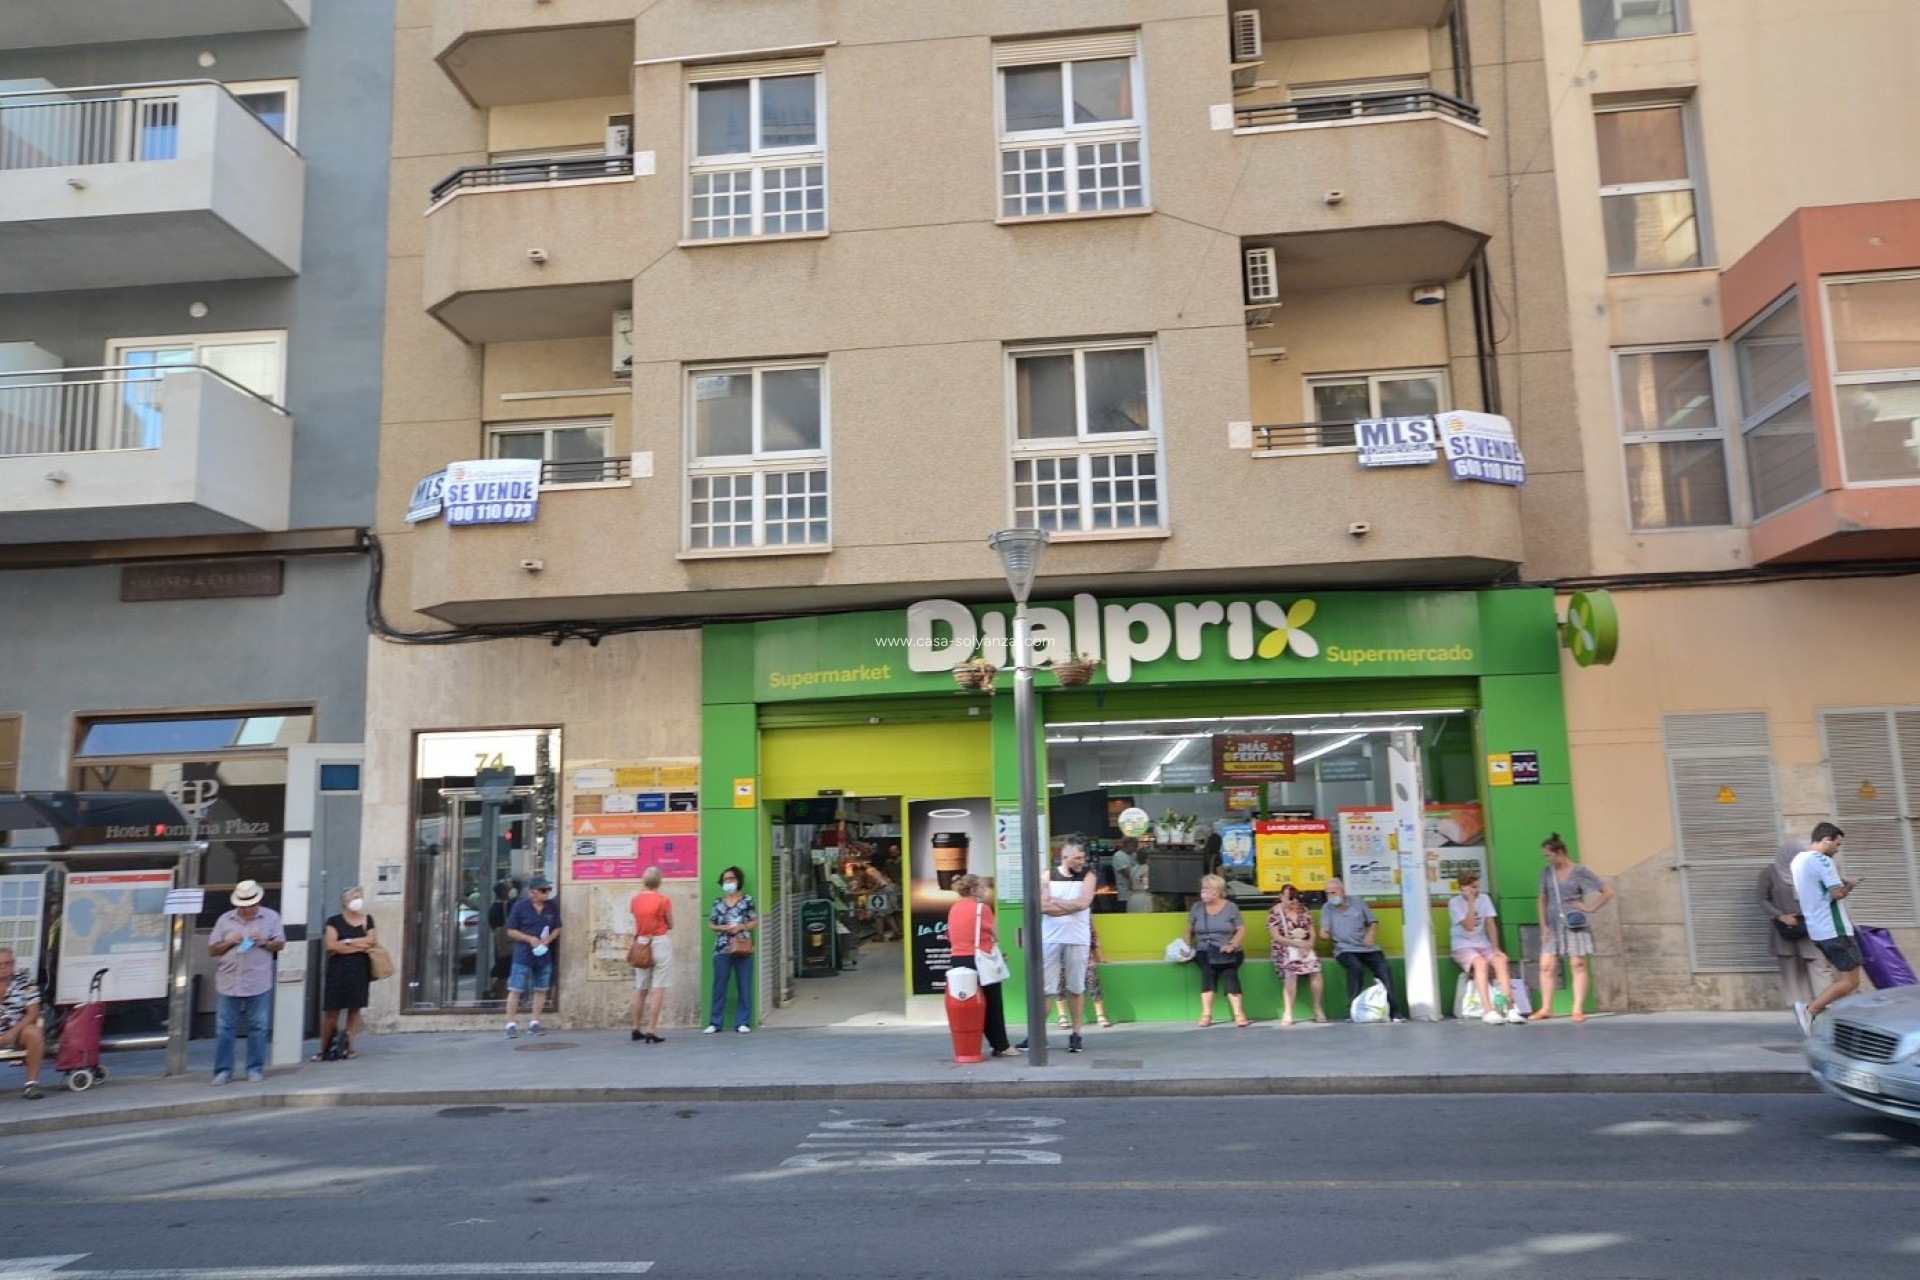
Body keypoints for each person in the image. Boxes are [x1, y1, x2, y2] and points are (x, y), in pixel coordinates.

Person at [207, 880, 285, 1084]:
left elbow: (280, 944)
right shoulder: (225, 919)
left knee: (258, 1027)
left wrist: (263, 942)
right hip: (229, 980)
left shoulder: (271, 917)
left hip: (258, 980)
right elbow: (212, 950)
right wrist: (229, 942)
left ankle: (255, 1068)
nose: (248, 909)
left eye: (251, 904)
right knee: (224, 1029)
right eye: (244, 905)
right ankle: (223, 1071)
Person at [1531, 833, 1614, 1022]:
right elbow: (1542, 898)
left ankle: (1577, 1008)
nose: (1547, 859)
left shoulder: (1580, 871)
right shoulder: (1546, 873)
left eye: (1548, 855)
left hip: (1574, 921)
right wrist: (1543, 925)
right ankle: (1546, 1008)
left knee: (1577, 964)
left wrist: (1591, 908)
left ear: (1560, 852)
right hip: (1552, 923)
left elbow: (1608, 892)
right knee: (1547, 966)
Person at [1789, 822, 1862, 1036]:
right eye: (1837, 845)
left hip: (1817, 929)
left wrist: (1840, 881)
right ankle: (1810, 1011)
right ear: (1827, 840)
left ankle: (1836, 1022)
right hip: (1835, 929)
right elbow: (1836, 894)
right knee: (1851, 981)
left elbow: (1816, 886)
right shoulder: (1824, 860)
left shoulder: (1798, 860)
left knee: (1841, 979)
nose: (1837, 850)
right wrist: (1849, 886)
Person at [1759, 839, 1836, 1012]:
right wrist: (1780, 916)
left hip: (1810, 928)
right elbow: (1762, 899)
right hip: (1784, 931)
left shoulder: (1810, 871)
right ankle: (1801, 1015)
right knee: (1792, 977)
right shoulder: (1769, 873)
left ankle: (1825, 1011)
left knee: (1820, 968)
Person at [1037, 839, 1097, 1053]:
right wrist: (1072, 907)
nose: (1081, 862)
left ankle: (1076, 1033)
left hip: (1077, 938)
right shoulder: (1048, 876)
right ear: (1064, 857)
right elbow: (1042, 906)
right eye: (1077, 858)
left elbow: (1084, 903)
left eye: (1082, 858)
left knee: (1076, 987)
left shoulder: (1088, 876)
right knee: (1047, 989)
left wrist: (1057, 903)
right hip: (1051, 938)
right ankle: (1038, 1035)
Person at [946, 874, 1016, 1057]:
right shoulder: (982, 909)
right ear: (973, 889)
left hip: (958, 960)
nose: (985, 890)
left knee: (968, 1003)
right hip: (979, 960)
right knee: (993, 1004)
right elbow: (996, 935)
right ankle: (1001, 1045)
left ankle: (970, 1044)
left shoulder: (954, 908)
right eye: (982, 887)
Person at [1321, 877, 1408, 1022]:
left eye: (1333, 892)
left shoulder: (1357, 902)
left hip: (1367, 947)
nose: (1330, 896)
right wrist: (1324, 933)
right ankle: (1352, 1010)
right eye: (1327, 893)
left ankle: (1394, 1011)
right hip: (1345, 949)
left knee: (1384, 969)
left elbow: (1373, 922)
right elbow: (1325, 929)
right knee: (1355, 968)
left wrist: (1370, 934)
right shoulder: (1327, 908)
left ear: (1342, 892)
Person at [1449, 871, 1522, 1025]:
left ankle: (1510, 1007)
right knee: (1480, 963)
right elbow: (1469, 926)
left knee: (1500, 961)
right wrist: (1470, 903)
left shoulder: (1484, 899)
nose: (1476, 891)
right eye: (1472, 887)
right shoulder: (1454, 903)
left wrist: (1496, 948)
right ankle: (1488, 1010)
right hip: (1463, 945)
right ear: (1463, 888)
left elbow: (1490, 924)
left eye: (1477, 886)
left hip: (1483, 943)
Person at [316, 886, 377, 1061]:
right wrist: (359, 946)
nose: (358, 901)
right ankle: (323, 1049)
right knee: (332, 1010)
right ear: (344, 902)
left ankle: (349, 1047)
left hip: (359, 969)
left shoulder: (367, 919)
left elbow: (372, 941)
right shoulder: (333, 921)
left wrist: (346, 942)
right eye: (354, 897)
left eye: (360, 897)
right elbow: (331, 946)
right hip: (338, 970)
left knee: (354, 1009)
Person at [1187, 873, 1249, 1027]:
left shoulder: (1230, 907)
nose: (1205, 893)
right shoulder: (1197, 907)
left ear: (1219, 892)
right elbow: (1189, 930)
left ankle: (1239, 1014)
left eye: (1209, 890)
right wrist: (1187, 946)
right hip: (1204, 949)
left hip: (1228, 949)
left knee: (1229, 974)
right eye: (1203, 889)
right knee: (1208, 973)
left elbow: (1241, 929)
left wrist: (1232, 944)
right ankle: (1206, 1014)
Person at [503, 876, 561, 1039]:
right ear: (533, 892)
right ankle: (511, 1024)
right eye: (544, 890)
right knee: (516, 989)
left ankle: (535, 1022)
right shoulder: (520, 907)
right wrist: (529, 939)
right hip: (523, 954)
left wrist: (549, 939)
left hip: (543, 954)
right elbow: (510, 930)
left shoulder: (552, 907)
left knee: (541, 989)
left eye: (548, 890)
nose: (547, 893)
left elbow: (558, 927)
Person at [706, 865, 758, 1033]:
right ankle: (715, 1023)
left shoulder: (747, 900)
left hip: (743, 946)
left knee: (744, 985)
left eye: (731, 879)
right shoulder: (717, 903)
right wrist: (722, 928)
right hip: (722, 948)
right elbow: (711, 924)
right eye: (725, 880)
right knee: (719, 986)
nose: (728, 882)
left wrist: (741, 927)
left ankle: (743, 1022)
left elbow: (755, 921)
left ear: (738, 881)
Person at [1266, 883, 1326, 1026]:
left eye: (1295, 898)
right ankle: (1288, 1012)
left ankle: (1317, 1008)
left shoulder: (1303, 910)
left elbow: (1312, 933)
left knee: (1315, 969)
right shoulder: (1274, 913)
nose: (1293, 902)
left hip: (1304, 946)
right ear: (1281, 897)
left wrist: (1308, 945)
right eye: (1289, 898)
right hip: (1284, 947)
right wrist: (1297, 945)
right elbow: (1277, 937)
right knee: (1291, 971)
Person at [628, 865, 673, 1044]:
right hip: (660, 941)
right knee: (658, 988)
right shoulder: (663, 900)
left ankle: (636, 1028)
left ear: (644, 881)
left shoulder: (635, 900)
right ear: (659, 882)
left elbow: (637, 919)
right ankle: (651, 1030)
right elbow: (671, 924)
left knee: (641, 988)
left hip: (641, 943)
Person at [0, 947, 47, 1100]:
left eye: (7, 963)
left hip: (16, 1031)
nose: (3, 967)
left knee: (34, 1033)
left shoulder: (25, 981)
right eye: (0, 964)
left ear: (13, 964)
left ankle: (31, 1084)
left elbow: (33, 1012)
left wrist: (12, 1033)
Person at [1055, 930, 1112, 1029]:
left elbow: (1093, 937)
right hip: (1061, 955)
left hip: (1083, 955)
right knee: (1059, 981)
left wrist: (1099, 956)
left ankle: (1100, 1015)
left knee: (1092, 979)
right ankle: (1062, 1016)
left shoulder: (1084, 920)